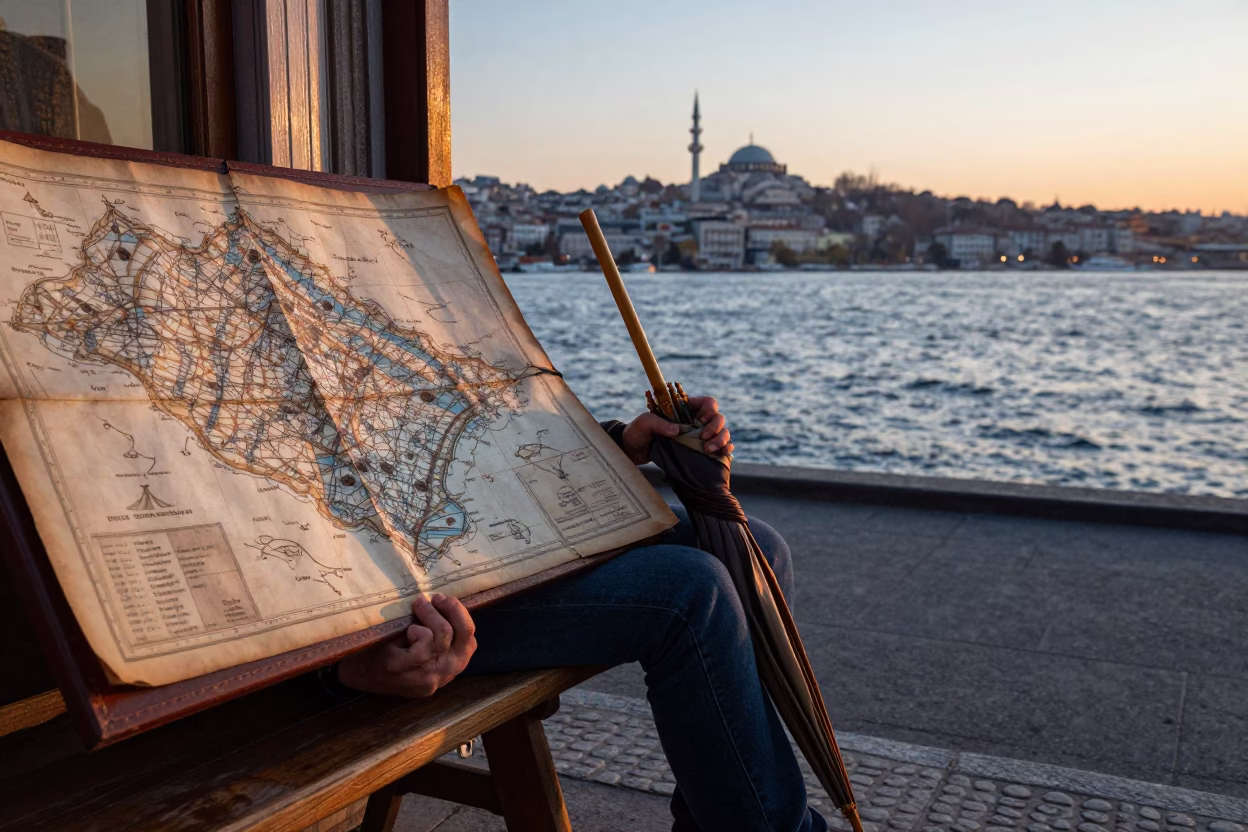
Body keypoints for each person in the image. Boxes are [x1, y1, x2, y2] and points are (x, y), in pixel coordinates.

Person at [334, 396, 827, 832]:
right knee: (692, 590)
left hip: (473, 543)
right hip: (395, 604)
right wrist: (341, 669)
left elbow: (474, 426)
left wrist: (622, 444)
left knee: (756, 548)